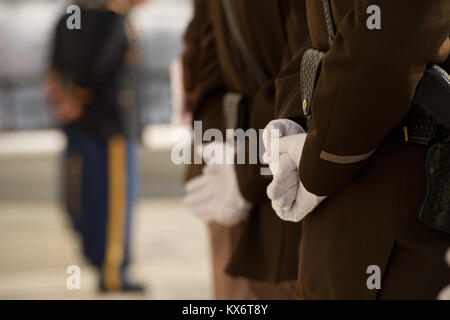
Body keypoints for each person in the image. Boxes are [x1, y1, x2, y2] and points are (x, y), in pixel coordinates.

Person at [264, 0, 450, 299]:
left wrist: (320, 157)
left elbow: (393, 32)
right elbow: (318, 32)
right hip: (345, 214)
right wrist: (296, 119)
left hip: (410, 210)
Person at [182, 0, 309, 299]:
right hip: (249, 174)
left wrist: (237, 164)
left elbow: (308, 67)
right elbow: (207, 59)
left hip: (271, 177)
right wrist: (221, 153)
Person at [44, 0, 147, 292]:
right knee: (114, 203)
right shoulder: (111, 20)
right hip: (110, 123)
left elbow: (54, 69)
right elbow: (96, 66)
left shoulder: (68, 16)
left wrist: (66, 100)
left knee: (86, 196)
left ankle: (98, 259)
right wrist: (76, 95)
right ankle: (113, 270)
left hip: (80, 122)